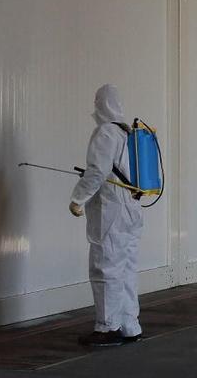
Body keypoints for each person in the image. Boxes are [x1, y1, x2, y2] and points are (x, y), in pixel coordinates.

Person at [69, 84, 144, 347]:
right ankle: (129, 325)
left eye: (96, 100)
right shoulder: (129, 133)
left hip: (111, 210)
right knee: (126, 268)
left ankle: (107, 327)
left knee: (105, 266)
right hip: (132, 209)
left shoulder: (105, 132)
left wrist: (78, 198)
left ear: (102, 104)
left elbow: (97, 172)